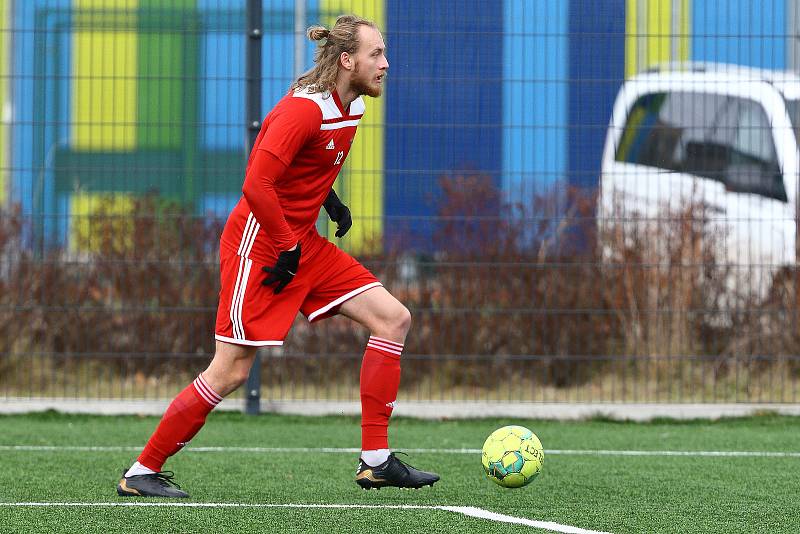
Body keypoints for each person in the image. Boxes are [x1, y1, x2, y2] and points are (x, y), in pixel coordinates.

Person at [116, 14, 439, 498]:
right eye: (377, 54)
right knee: (231, 371)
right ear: (346, 60)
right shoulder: (303, 111)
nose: (385, 64)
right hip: (260, 244)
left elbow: (308, 165)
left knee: (393, 319)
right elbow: (256, 183)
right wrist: (286, 244)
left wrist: (329, 201)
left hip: (301, 240)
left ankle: (375, 460)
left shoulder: (351, 107)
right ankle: (142, 470)